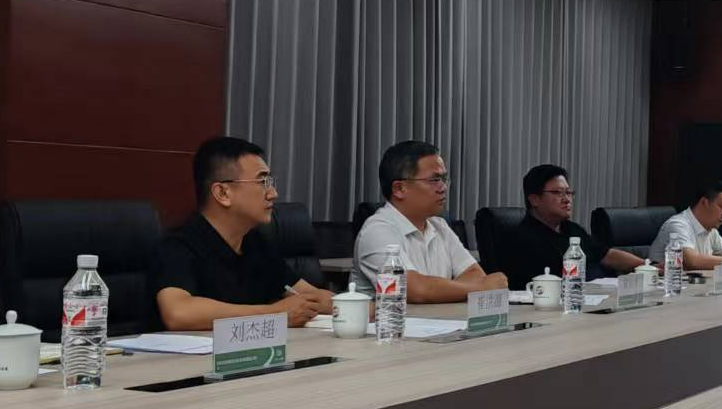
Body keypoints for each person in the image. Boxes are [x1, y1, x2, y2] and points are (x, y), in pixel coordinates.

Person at [150, 136, 335, 330]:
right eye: (262, 182)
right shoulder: (177, 246)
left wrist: (347, 305)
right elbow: (178, 313)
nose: (273, 193)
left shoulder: (255, 243)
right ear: (223, 193)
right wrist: (275, 314)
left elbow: (309, 295)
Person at [354, 141, 507, 302]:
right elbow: (412, 289)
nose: (443, 188)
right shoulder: (377, 231)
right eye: (434, 180)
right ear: (399, 189)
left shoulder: (439, 226)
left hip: (442, 317)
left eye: (444, 179)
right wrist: (479, 289)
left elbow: (475, 275)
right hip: (392, 319)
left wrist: (438, 289)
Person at [503, 163, 643, 286]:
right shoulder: (522, 238)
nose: (567, 199)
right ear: (534, 199)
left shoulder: (572, 229)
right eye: (557, 193)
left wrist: (647, 266)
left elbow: (606, 255)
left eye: (569, 193)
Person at [649, 181, 722, 271]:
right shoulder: (678, 224)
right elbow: (692, 261)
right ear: (704, 202)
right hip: (665, 279)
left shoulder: (712, 231)